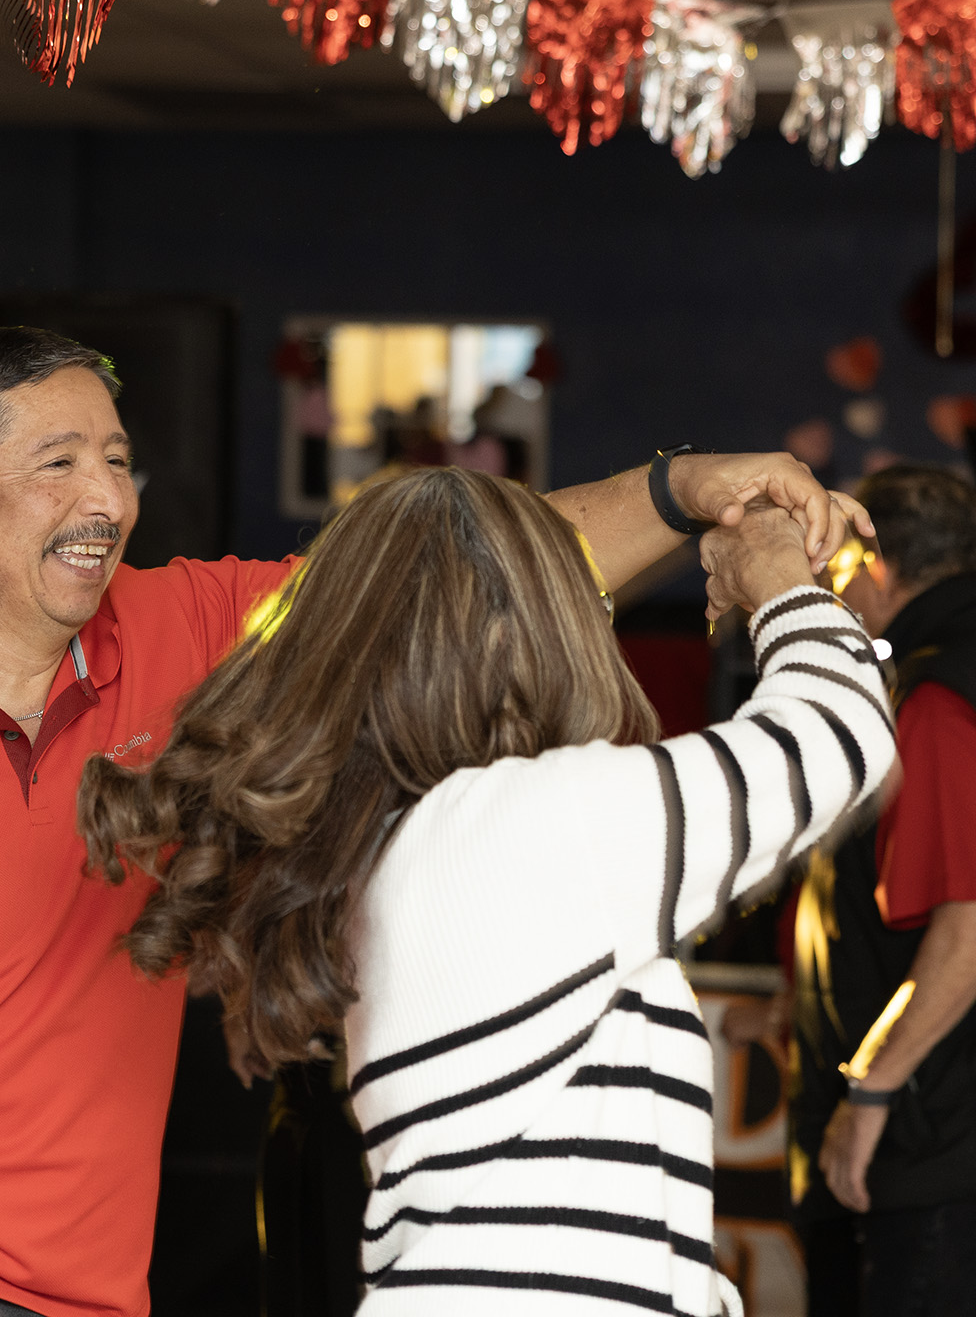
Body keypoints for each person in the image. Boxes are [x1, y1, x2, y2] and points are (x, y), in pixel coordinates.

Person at [0, 324, 864, 1317]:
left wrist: (677, 484)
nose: (105, 494)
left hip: (94, 1284)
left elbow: (460, 574)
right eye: (57, 462)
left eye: (116, 458)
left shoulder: (183, 633)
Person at [80, 468, 895, 1317]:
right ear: (533, 633)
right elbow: (835, 735)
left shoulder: (403, 836)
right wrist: (776, 576)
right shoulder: (523, 823)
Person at [789, 464, 976, 1317]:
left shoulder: (938, 699)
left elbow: (966, 930)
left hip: (934, 1147)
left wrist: (867, 1091)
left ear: (879, 564)